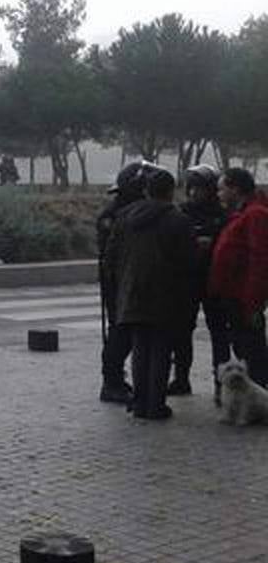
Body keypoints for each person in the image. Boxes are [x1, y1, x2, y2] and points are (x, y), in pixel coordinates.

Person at [105, 167, 196, 420]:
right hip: (166, 295)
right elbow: (189, 263)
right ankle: (155, 405)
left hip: (131, 292)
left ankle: (139, 402)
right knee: (161, 350)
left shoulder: (123, 216)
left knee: (140, 347)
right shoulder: (179, 220)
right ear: (171, 191)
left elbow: (110, 257)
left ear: (146, 190)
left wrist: (120, 286)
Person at [168, 164, 229, 396]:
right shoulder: (181, 212)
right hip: (187, 280)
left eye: (200, 188)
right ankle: (181, 378)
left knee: (219, 333)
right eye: (191, 188)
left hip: (214, 280)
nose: (194, 193)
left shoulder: (222, 215)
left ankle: (220, 383)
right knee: (182, 331)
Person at [208, 166, 268, 396]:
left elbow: (260, 260)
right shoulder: (244, 213)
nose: (218, 194)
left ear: (235, 189)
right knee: (245, 347)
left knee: (252, 350)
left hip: (244, 298)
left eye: (221, 189)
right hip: (234, 295)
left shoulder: (255, 215)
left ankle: (258, 399)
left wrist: (252, 302)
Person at [97, 162, 150, 404]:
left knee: (123, 331)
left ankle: (115, 380)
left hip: (125, 280)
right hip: (118, 282)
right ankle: (112, 382)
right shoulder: (115, 216)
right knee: (120, 332)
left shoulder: (124, 212)